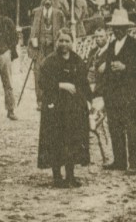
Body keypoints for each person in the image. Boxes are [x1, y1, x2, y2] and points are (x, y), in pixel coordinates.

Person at [37, 31, 94, 188]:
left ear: (72, 42)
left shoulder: (77, 60)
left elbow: (83, 83)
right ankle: (57, 177)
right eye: (61, 40)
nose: (63, 44)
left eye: (67, 41)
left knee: (72, 140)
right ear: (57, 42)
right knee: (56, 140)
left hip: (73, 108)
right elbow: (42, 82)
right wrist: (61, 85)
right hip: (55, 107)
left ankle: (70, 175)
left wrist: (90, 100)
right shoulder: (50, 61)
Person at [97, 8, 136, 174]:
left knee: (131, 128)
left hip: (128, 94)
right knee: (115, 127)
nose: (117, 31)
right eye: (115, 28)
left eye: (120, 28)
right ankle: (119, 161)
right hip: (112, 93)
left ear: (127, 28)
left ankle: (134, 164)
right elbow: (107, 69)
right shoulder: (112, 45)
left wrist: (126, 67)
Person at [28, 0, 66, 109]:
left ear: (53, 1)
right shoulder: (36, 12)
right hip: (39, 48)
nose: (47, 1)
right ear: (42, 0)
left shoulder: (58, 14)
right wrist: (34, 45)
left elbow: (63, 29)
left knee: (54, 72)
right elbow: (32, 30)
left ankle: (54, 99)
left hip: (53, 48)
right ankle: (40, 101)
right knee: (38, 72)